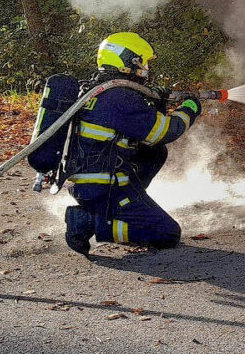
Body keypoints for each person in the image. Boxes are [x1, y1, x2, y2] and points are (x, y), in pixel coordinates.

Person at [62, 31, 203, 255]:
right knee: (166, 234)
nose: (145, 69)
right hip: (104, 189)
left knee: (155, 152)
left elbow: (143, 135)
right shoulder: (119, 98)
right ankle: (89, 222)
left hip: (89, 183)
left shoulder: (95, 91)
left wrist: (158, 103)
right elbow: (164, 131)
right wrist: (190, 109)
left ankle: (125, 204)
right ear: (130, 61)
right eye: (143, 62)